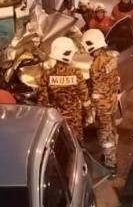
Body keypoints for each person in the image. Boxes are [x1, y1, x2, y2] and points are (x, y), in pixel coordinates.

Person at [37, 37, 91, 143]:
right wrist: (89, 114)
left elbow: (42, 102)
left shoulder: (47, 75)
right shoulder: (76, 73)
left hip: (57, 121)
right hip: (75, 120)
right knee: (78, 145)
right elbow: (85, 99)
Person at [83, 29, 120, 171]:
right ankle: (114, 153)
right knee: (112, 127)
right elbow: (116, 80)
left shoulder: (95, 65)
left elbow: (97, 90)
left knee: (105, 133)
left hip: (103, 104)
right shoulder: (111, 58)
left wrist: (91, 108)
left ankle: (110, 163)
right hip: (113, 99)